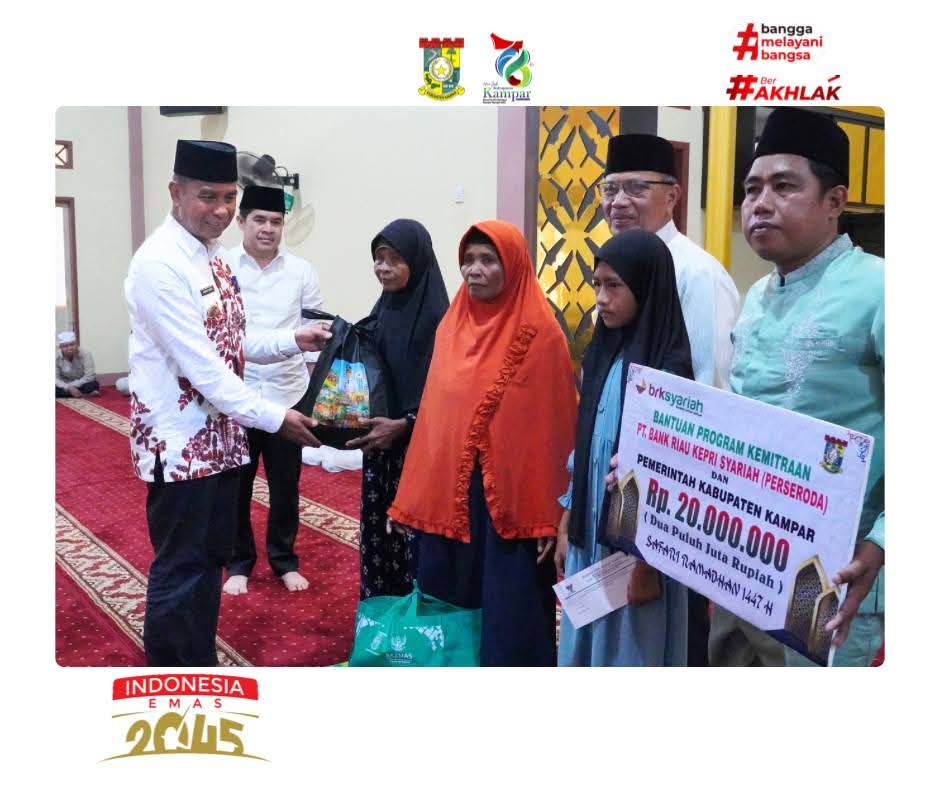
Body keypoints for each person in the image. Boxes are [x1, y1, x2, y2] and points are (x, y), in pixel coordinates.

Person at [124, 140, 331, 666]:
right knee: (181, 567)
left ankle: (199, 663)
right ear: (175, 192)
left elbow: (231, 341)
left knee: (209, 560)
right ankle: (172, 678)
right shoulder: (160, 264)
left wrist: (292, 339)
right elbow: (206, 369)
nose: (220, 210)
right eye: (207, 196)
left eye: (227, 197)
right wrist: (277, 418)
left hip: (221, 441)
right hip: (180, 445)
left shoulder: (212, 259)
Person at [719, 107, 884, 667]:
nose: (760, 203)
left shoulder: (881, 289)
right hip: (743, 560)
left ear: (834, 201)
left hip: (835, 576)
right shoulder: (757, 295)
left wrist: (883, 541)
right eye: (751, 189)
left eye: (784, 186)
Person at [387, 220, 577, 666]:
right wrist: (412, 495)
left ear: (513, 266)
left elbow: (554, 429)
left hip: (512, 498)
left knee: (511, 608)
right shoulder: (451, 326)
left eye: (488, 260)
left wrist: (548, 514)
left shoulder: (541, 332)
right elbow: (434, 421)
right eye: (468, 260)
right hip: (452, 491)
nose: (474, 270)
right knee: (449, 604)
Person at [599, 132, 741, 665]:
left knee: (669, 636)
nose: (619, 201)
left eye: (636, 188)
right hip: (617, 487)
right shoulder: (617, 268)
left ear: (673, 196)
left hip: (668, 498)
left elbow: (708, 395)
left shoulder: (698, 276)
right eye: (610, 188)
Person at [556, 229, 694, 666]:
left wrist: (647, 563)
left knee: (630, 647)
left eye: (614, 286)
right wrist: (567, 520)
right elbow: (585, 447)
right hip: (591, 527)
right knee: (586, 642)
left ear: (646, 287)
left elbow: (672, 477)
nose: (601, 298)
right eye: (597, 284)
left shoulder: (668, 369)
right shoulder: (600, 353)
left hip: (638, 547)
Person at [222, 185, 324, 596]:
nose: (268, 228)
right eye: (259, 220)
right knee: (236, 486)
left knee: (285, 487)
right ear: (241, 221)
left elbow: (314, 336)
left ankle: (284, 560)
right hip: (238, 395)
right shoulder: (221, 266)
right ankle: (239, 563)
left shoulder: (302, 271)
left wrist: (316, 398)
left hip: (288, 395)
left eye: (276, 221)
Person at [345, 219, 449, 599]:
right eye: (379, 258)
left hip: (421, 452)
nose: (383, 268)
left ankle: (416, 627)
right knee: (378, 539)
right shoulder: (382, 310)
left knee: (414, 547)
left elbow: (448, 397)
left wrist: (405, 423)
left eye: (394, 259)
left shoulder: (442, 322)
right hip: (380, 447)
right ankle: (380, 621)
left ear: (417, 262)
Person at [55, 330, 101, 398]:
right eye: (65, 346)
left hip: (81, 383)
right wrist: (68, 387)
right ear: (60, 347)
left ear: (76, 344)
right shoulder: (55, 356)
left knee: (93, 384)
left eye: (72, 344)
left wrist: (71, 386)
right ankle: (84, 394)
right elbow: (55, 379)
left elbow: (89, 376)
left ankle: (72, 394)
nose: (69, 348)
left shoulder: (86, 354)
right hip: (64, 384)